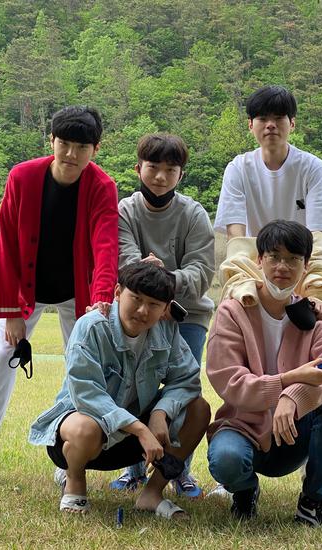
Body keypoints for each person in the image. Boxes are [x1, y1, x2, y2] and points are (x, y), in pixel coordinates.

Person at [0, 106, 119, 488]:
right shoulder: (22, 177)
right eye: (64, 144)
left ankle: (69, 458)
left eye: (81, 147)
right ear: (51, 141)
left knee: (83, 370)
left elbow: (105, 247)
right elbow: (6, 244)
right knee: (1, 359)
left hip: (79, 293)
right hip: (27, 290)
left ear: (96, 149)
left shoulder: (102, 186)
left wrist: (101, 303)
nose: (71, 154)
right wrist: (10, 312)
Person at [212, 85, 322, 506]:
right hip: (256, 271)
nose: (270, 125)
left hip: (299, 273)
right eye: (262, 118)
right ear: (251, 125)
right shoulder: (238, 168)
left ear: (292, 123)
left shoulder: (312, 168)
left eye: (279, 118)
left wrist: (313, 293)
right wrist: (244, 286)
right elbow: (237, 238)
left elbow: (316, 239)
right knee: (249, 364)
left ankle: (321, 482)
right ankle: (237, 471)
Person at [29, 263, 211, 517]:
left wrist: (160, 413)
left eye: (154, 304)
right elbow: (86, 393)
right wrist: (140, 429)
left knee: (199, 408)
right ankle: (74, 481)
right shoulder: (91, 327)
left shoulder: (166, 330)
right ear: (117, 293)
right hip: (87, 433)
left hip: (130, 439)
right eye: (136, 298)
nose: (143, 310)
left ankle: (152, 493)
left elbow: (187, 379)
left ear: (165, 309)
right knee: (85, 428)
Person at [206, 220, 322, 530]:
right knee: (226, 459)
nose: (282, 266)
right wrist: (285, 383)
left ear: (306, 265)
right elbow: (229, 380)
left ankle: (314, 501)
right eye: (274, 256)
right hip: (244, 427)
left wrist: (293, 397)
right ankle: (245, 490)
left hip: (294, 432)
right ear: (259, 260)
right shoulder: (232, 312)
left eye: (293, 259)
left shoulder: (313, 314)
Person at [110, 133, 215, 498]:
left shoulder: (193, 214)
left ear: (180, 175)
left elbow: (201, 272)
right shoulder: (125, 211)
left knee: (182, 392)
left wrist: (163, 280)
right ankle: (133, 469)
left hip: (186, 316)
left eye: (171, 170)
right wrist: (153, 287)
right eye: (153, 167)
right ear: (138, 168)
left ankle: (178, 470)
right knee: (131, 389)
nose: (160, 177)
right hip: (137, 312)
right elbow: (126, 262)